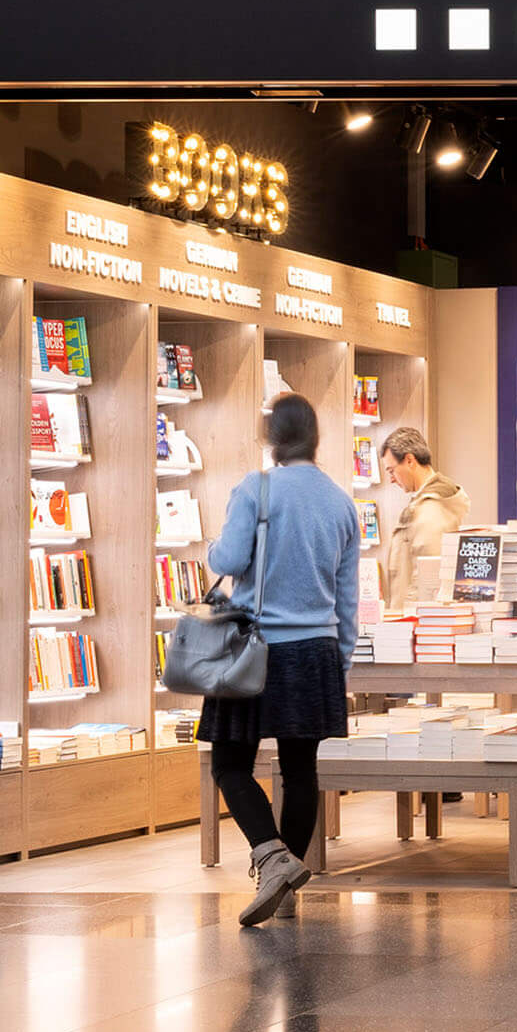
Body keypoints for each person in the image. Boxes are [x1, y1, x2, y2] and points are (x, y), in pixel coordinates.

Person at [203, 393, 357, 928]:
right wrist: (341, 657)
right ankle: (287, 883)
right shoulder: (341, 501)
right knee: (299, 770)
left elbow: (226, 559)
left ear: (272, 439)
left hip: (255, 644)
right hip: (316, 649)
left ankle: (271, 858)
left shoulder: (256, 488)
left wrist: (211, 548)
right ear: (316, 436)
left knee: (229, 762)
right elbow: (348, 593)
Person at [377, 425, 469, 612]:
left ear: (410, 460)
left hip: (415, 623)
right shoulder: (429, 504)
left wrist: (405, 616)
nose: (392, 479)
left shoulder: (430, 509)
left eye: (391, 470)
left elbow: (427, 581)